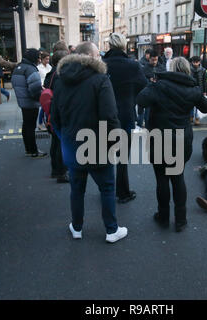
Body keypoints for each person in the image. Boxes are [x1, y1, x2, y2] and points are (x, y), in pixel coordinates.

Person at [50, 41, 127, 243]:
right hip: (97, 145)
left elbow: (55, 119)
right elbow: (110, 117)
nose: (101, 58)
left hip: (72, 147)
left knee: (77, 190)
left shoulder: (60, 80)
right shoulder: (101, 80)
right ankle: (111, 230)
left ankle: (77, 228)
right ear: (90, 57)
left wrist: (65, 139)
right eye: (98, 55)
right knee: (107, 188)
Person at [136, 57, 207, 232]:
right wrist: (197, 94)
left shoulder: (159, 86)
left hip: (159, 138)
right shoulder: (192, 89)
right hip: (181, 139)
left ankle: (163, 216)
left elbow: (141, 100)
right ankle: (181, 219)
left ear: (171, 69)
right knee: (178, 178)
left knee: (162, 179)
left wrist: (152, 84)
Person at [103, 33, 148, 204]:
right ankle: (122, 192)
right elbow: (143, 86)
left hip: (104, 116)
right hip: (125, 115)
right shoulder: (132, 65)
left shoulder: (101, 64)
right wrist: (131, 97)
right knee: (122, 157)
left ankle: (106, 191)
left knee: (104, 155)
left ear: (109, 45)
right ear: (123, 45)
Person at [11, 48, 46, 158]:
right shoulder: (31, 69)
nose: (39, 60)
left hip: (23, 102)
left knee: (26, 125)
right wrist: (40, 96)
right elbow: (35, 89)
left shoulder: (18, 68)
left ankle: (28, 149)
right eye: (38, 57)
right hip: (31, 102)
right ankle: (34, 151)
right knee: (31, 127)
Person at [44, 49, 70, 182]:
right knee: (61, 142)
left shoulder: (51, 74)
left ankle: (55, 169)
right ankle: (61, 172)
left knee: (55, 142)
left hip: (51, 112)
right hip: (60, 111)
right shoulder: (61, 74)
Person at [138, 49, 165, 128]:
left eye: (156, 60)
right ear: (149, 59)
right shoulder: (144, 68)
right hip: (148, 94)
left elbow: (165, 79)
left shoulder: (161, 67)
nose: (154, 62)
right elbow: (141, 81)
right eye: (153, 60)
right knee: (147, 116)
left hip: (159, 94)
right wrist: (149, 81)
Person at [190, 56, 207, 125]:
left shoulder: (203, 70)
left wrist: (205, 91)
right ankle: (191, 117)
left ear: (199, 62)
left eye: (196, 62)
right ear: (192, 62)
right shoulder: (189, 69)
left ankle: (197, 118)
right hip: (191, 88)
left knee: (198, 105)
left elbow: (204, 81)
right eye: (194, 62)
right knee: (190, 104)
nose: (195, 64)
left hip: (200, 89)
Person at [37, 51, 52, 131]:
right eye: (46, 59)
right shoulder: (39, 68)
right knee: (44, 107)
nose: (48, 61)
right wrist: (42, 87)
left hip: (48, 88)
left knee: (47, 107)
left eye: (48, 59)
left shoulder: (49, 67)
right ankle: (40, 123)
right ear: (42, 59)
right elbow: (38, 79)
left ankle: (46, 122)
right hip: (42, 89)